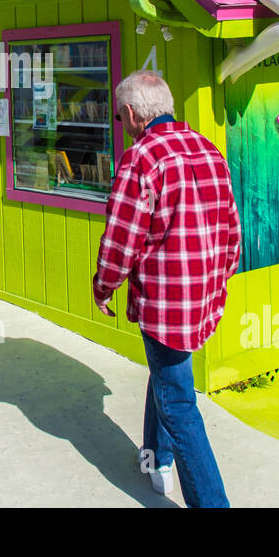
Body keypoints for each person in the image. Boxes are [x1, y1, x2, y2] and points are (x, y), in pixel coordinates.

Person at [93, 70, 241, 507]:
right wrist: (220, 277)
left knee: (177, 403)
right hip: (204, 292)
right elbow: (232, 227)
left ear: (133, 114)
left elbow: (122, 238)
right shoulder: (208, 149)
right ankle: (157, 461)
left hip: (165, 300)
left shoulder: (141, 158)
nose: (123, 124)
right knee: (167, 374)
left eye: (121, 117)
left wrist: (103, 287)